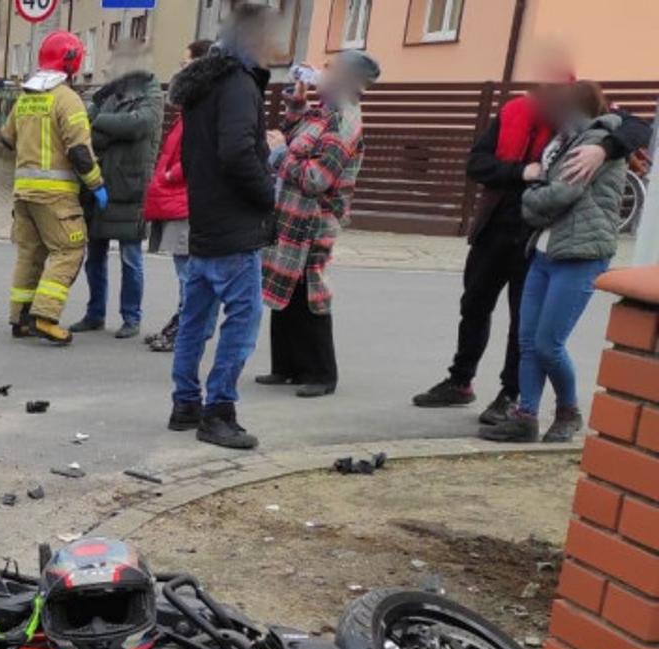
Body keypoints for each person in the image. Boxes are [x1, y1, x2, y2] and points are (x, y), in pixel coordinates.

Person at [413, 54, 652, 423]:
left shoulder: (585, 125)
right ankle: (460, 382)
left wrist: (603, 148)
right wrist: (521, 171)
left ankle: (511, 395)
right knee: (474, 305)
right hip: (495, 226)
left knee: (525, 325)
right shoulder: (512, 112)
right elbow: (477, 164)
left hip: (535, 235)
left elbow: (637, 127)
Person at [481, 82, 630, 444]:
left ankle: (568, 410)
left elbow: (562, 192)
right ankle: (526, 416)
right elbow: (550, 185)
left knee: (549, 344)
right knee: (528, 340)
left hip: (580, 254)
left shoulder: (595, 142)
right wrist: (535, 192)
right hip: (545, 251)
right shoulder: (566, 140)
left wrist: (529, 200)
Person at [167, 3, 276, 449]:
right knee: (242, 321)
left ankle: (185, 403)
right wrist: (268, 195)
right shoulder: (238, 83)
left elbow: (198, 153)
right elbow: (235, 151)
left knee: (195, 320)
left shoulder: (202, 85)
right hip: (234, 226)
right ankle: (219, 412)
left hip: (205, 220)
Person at [256, 51, 377, 399]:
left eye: (331, 69)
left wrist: (281, 155)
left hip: (315, 220)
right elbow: (294, 133)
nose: (322, 72)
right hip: (292, 215)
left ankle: (322, 373)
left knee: (311, 292)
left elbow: (316, 178)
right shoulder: (322, 111)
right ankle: (287, 367)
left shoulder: (345, 120)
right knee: (286, 288)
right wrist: (296, 99)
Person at [0, 30, 106, 345]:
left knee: (30, 254)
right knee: (69, 249)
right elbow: (80, 152)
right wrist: (97, 185)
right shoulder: (68, 99)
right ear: (73, 61)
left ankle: (20, 317)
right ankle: (45, 317)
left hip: (23, 193)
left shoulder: (26, 96)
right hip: (56, 196)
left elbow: (6, 138)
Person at [68, 69, 161, 339]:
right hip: (99, 187)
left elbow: (139, 125)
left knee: (131, 259)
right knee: (94, 258)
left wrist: (103, 122)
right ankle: (95, 314)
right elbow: (86, 129)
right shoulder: (106, 94)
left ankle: (131, 317)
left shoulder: (151, 93)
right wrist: (113, 126)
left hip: (130, 188)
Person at [144, 40, 214, 354]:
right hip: (177, 200)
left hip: (186, 201)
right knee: (186, 272)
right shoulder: (192, 108)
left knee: (191, 274)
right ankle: (184, 323)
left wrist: (171, 175)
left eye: (186, 64)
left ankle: (190, 330)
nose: (180, 70)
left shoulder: (204, 107)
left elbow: (196, 154)